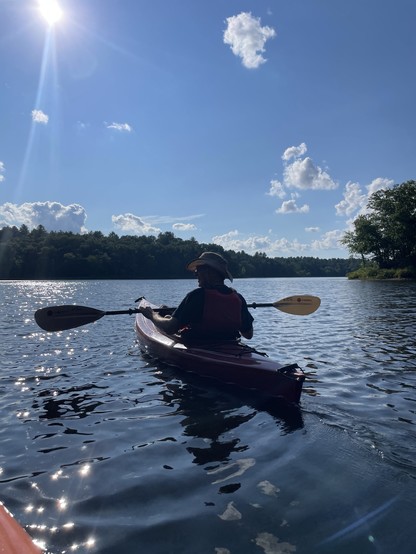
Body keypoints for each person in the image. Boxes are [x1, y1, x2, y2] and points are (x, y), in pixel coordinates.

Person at [139, 251, 254, 341]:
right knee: (168, 314)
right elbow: (248, 334)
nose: (196, 275)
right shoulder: (238, 298)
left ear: (209, 272)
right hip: (230, 345)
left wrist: (152, 315)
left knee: (168, 319)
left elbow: (170, 328)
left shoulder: (197, 296)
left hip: (199, 345)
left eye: (198, 271)